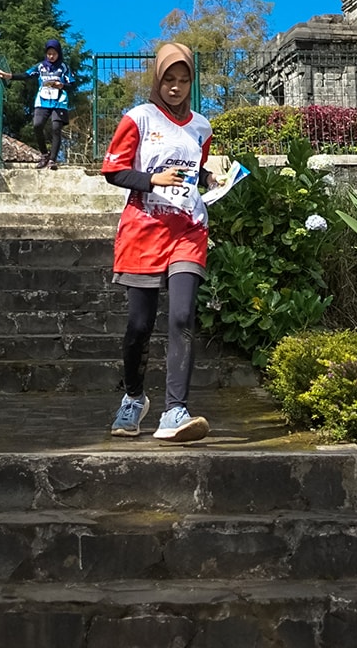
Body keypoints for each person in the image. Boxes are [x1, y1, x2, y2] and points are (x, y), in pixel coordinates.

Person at [101, 43, 216, 443]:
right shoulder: (138, 118)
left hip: (188, 230)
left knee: (182, 317)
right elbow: (113, 171)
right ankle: (134, 398)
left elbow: (196, 169)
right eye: (169, 80)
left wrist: (210, 178)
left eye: (184, 80)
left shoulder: (202, 127)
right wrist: (152, 180)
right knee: (139, 326)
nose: (176, 87)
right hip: (144, 231)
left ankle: (175, 411)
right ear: (157, 80)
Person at [0, 38, 75, 169]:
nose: (51, 56)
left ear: (59, 54)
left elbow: (72, 84)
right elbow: (26, 75)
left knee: (56, 128)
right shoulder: (40, 66)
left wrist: (62, 85)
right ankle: (44, 155)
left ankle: (52, 160)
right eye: (49, 54)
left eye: (54, 54)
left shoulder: (64, 67)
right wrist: (8, 75)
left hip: (59, 102)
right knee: (37, 125)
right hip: (42, 101)